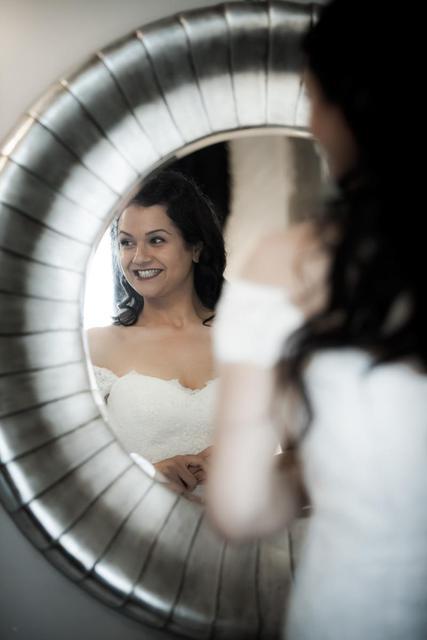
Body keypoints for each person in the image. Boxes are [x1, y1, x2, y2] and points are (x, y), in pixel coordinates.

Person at [207, 1, 427, 638]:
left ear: (343, 108)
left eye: (312, 97)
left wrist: (315, 467)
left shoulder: (286, 267)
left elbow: (240, 509)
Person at [88, 169, 226, 495]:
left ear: (196, 247)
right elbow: (64, 463)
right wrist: (143, 473)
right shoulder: (96, 346)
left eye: (156, 240)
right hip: (138, 523)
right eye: (126, 243)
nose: (139, 257)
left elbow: (303, 456)